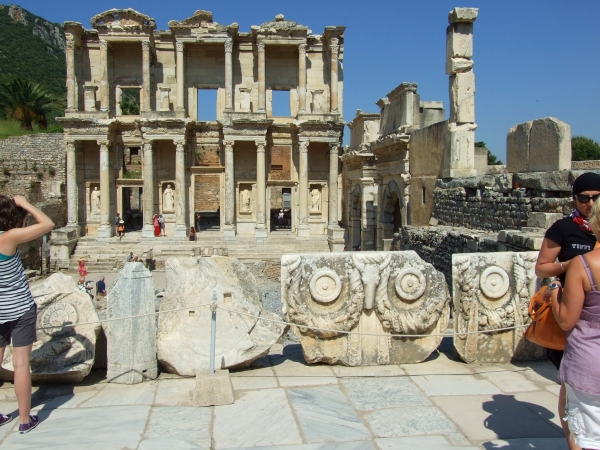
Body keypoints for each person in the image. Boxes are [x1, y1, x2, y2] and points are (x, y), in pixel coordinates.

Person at [535, 172, 600, 450]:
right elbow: (542, 267)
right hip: (574, 316)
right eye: (584, 198)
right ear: (575, 199)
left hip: (585, 327)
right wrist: (568, 266)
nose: (590, 203)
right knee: (568, 386)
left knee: (575, 389)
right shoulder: (563, 229)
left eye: (596, 198)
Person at [0, 195, 54, 433]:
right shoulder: (8, 237)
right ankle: (24, 420)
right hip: (20, 308)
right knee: (21, 364)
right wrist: (25, 204)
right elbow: (48, 224)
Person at [550, 198, 600, 450]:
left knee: (584, 439)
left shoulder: (584, 264)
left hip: (589, 362)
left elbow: (566, 319)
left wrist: (554, 293)